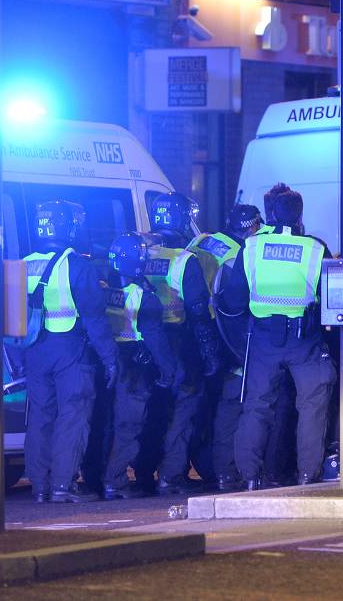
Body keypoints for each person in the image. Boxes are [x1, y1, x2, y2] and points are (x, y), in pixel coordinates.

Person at [219, 183, 337, 488]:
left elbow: (233, 300)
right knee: (311, 405)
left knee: (256, 405)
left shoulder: (253, 246)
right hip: (304, 340)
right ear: (299, 216)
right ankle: (307, 475)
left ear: (271, 215)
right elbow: (331, 299)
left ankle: (248, 477)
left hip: (263, 339)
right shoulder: (315, 248)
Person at [23, 201, 119, 503]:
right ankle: (64, 485)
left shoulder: (24, 263)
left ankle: (39, 486)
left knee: (39, 416)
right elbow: (95, 318)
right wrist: (110, 359)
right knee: (73, 414)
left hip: (34, 348)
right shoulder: (76, 264)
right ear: (66, 227)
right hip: (69, 349)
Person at [139, 193, 221, 494]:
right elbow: (199, 312)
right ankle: (171, 475)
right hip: (179, 342)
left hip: (144, 344)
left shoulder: (141, 252)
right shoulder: (185, 260)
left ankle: (145, 473)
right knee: (183, 410)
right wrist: (210, 354)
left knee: (154, 411)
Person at [187, 204, 264, 490]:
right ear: (252, 225)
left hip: (192, 333)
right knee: (230, 406)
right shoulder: (238, 254)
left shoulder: (201, 239)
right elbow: (234, 305)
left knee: (201, 408)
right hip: (220, 335)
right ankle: (225, 471)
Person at [102, 233, 180, 499]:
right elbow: (157, 341)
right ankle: (115, 480)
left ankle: (99, 477)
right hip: (135, 369)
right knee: (129, 426)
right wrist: (169, 372)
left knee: (107, 424)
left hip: (109, 362)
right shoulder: (144, 298)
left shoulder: (105, 290)